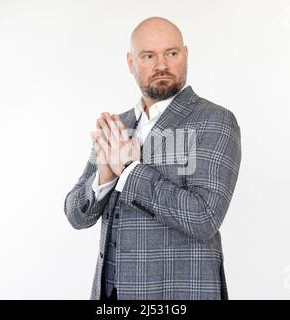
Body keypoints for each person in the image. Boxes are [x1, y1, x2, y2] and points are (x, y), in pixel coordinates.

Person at [64, 16, 241, 300]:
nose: (162, 65)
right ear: (131, 63)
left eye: (171, 53)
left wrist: (130, 171)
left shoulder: (215, 121)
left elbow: (205, 217)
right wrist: (105, 178)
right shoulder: (118, 125)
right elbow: (76, 216)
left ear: (185, 55)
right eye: (148, 56)